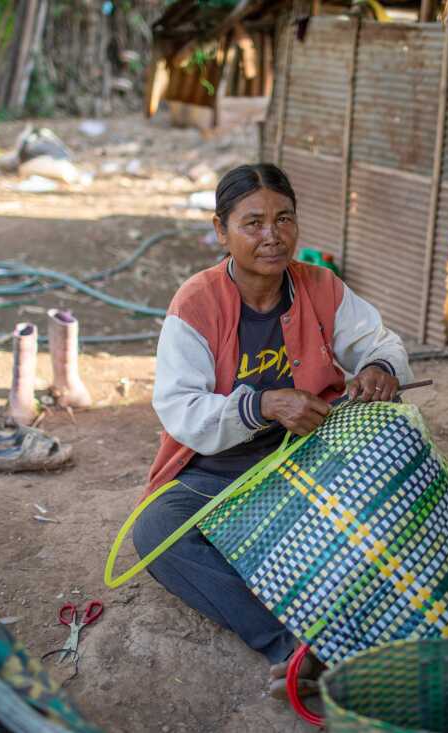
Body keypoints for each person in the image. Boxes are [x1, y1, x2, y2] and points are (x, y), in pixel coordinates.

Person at [133, 163, 412, 696]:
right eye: (253, 223)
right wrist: (262, 405)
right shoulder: (194, 304)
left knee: (397, 477)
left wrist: (380, 368)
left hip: (313, 455)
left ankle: (373, 619)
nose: (272, 236)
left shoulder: (320, 285)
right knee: (155, 534)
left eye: (284, 219)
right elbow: (181, 410)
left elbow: (381, 342)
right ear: (221, 230)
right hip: (217, 469)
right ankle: (290, 646)